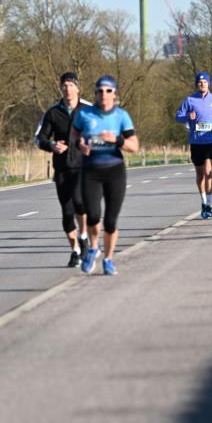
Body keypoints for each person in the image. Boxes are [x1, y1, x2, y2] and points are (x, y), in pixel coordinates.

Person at [71, 75, 139, 276]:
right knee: (92, 216)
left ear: (114, 94)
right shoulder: (84, 114)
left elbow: (134, 146)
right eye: (100, 90)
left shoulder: (121, 116)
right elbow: (74, 134)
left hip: (114, 171)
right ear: (95, 93)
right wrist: (79, 145)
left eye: (108, 91)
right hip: (90, 171)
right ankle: (93, 248)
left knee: (110, 221)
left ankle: (108, 259)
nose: (104, 94)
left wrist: (117, 140)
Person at [35, 72, 90, 267]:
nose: (67, 89)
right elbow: (39, 138)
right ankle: (75, 249)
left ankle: (83, 236)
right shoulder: (52, 113)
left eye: (71, 85)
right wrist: (51, 145)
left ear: (77, 88)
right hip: (62, 168)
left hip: (83, 166)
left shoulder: (88, 110)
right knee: (67, 212)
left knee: (79, 203)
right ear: (61, 88)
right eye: (64, 85)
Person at [175, 71, 212, 218]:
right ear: (197, 84)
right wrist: (188, 116)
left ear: (208, 83)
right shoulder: (189, 100)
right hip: (196, 142)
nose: (202, 84)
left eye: (205, 82)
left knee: (209, 171)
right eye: (200, 82)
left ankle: (209, 204)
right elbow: (178, 117)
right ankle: (203, 202)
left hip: (209, 140)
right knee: (200, 174)